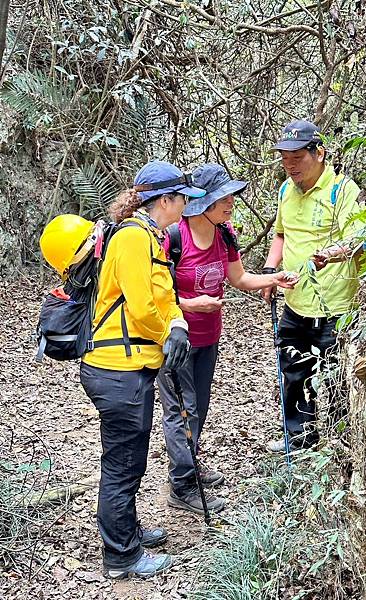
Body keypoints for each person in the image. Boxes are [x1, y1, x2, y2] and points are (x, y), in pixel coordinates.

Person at [79, 161, 205, 579]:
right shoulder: (134, 238)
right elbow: (139, 305)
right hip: (117, 370)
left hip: (132, 367)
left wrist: (178, 325)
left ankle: (127, 530)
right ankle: (121, 556)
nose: (186, 205)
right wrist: (167, 332)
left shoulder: (151, 237)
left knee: (128, 460)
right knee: (122, 464)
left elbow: (163, 296)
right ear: (164, 201)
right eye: (182, 198)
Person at [157, 163, 298, 515]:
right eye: (224, 196)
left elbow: (238, 278)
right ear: (203, 202)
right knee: (181, 409)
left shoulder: (225, 233)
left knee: (198, 407)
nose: (231, 201)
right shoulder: (173, 237)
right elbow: (151, 295)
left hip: (208, 338)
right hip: (174, 338)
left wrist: (273, 279)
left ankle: (189, 462)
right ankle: (182, 484)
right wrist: (191, 303)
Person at [262, 119, 366, 452]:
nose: (289, 164)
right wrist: (269, 269)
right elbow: (281, 234)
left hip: (335, 305)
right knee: (293, 372)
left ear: (318, 153)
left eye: (297, 157)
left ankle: (338, 445)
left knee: (334, 377)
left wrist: (333, 254)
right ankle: (299, 437)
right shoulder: (285, 191)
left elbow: (360, 237)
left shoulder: (342, 190)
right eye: (284, 157)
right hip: (295, 301)